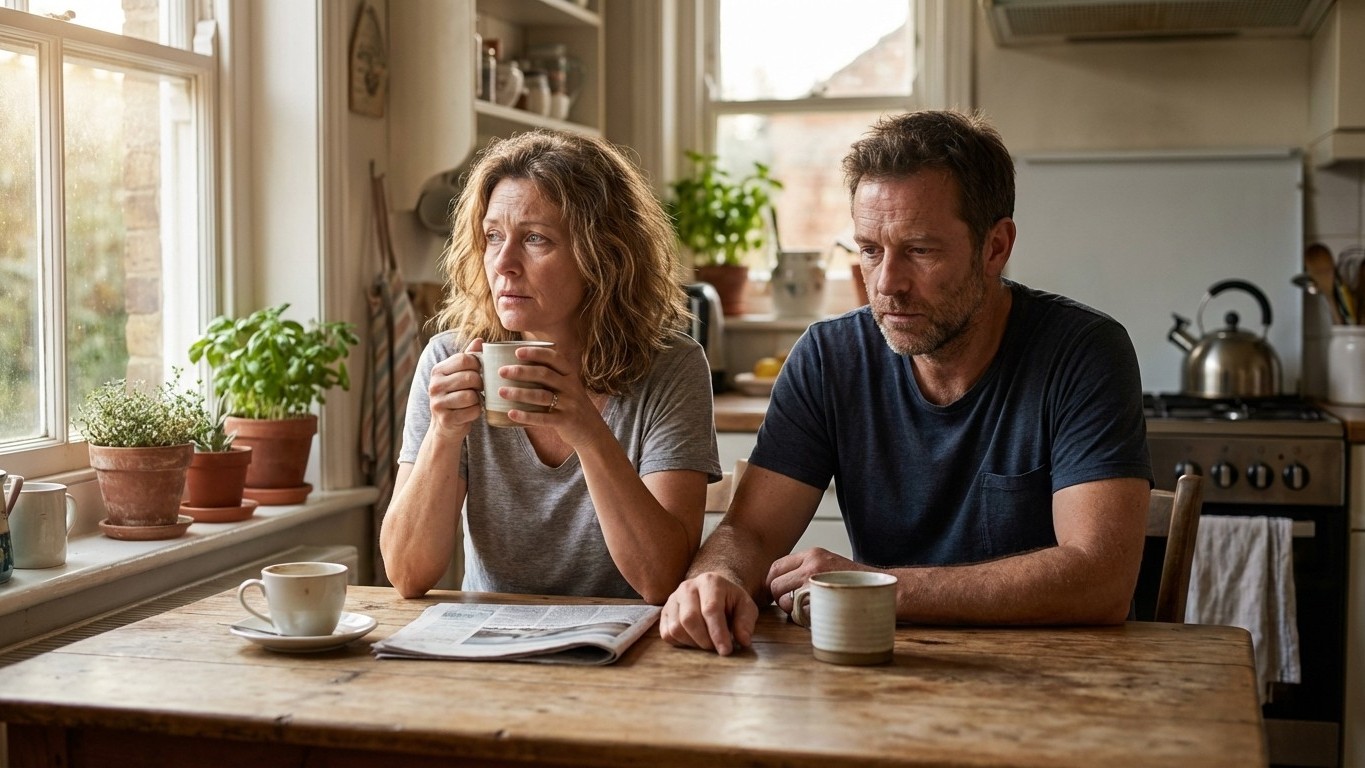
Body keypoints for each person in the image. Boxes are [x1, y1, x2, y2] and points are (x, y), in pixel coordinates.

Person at [660, 110, 1153, 655]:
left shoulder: (1083, 353)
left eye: (920, 251)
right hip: (890, 675)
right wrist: (718, 579)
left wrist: (877, 589)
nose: (887, 284)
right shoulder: (829, 358)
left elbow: (1100, 579)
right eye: (870, 250)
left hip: (1067, 679)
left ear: (996, 247)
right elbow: (748, 534)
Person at [381, 130, 721, 604]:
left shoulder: (671, 368)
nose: (503, 263)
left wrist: (587, 429)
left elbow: (661, 580)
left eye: (536, 239)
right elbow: (407, 574)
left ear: (602, 255)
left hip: (628, 654)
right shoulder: (451, 360)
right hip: (489, 646)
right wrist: (443, 434)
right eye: (493, 236)